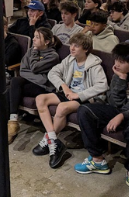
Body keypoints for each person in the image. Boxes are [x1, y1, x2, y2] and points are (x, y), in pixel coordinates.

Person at [73, 44, 129, 197]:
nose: (116, 64)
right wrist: (121, 79)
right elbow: (115, 103)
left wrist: (123, 116)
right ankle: (97, 160)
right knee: (84, 110)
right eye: (116, 60)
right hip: (120, 110)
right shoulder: (119, 73)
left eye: (121, 62)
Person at [30, 32, 108, 168]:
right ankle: (53, 140)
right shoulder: (70, 59)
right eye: (71, 45)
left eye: (76, 46)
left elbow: (102, 86)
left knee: (62, 108)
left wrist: (79, 95)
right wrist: (64, 86)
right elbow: (52, 72)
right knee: (40, 99)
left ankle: (48, 141)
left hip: (85, 98)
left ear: (85, 49)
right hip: (69, 93)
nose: (72, 48)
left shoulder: (94, 64)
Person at [6, 28, 60, 142]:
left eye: (37, 37)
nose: (33, 39)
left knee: (12, 89)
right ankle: (12, 121)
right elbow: (23, 70)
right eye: (34, 36)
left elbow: (34, 68)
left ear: (47, 42)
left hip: (44, 88)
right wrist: (38, 77)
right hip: (34, 82)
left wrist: (36, 74)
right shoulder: (31, 50)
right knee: (14, 82)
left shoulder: (53, 56)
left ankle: (10, 126)